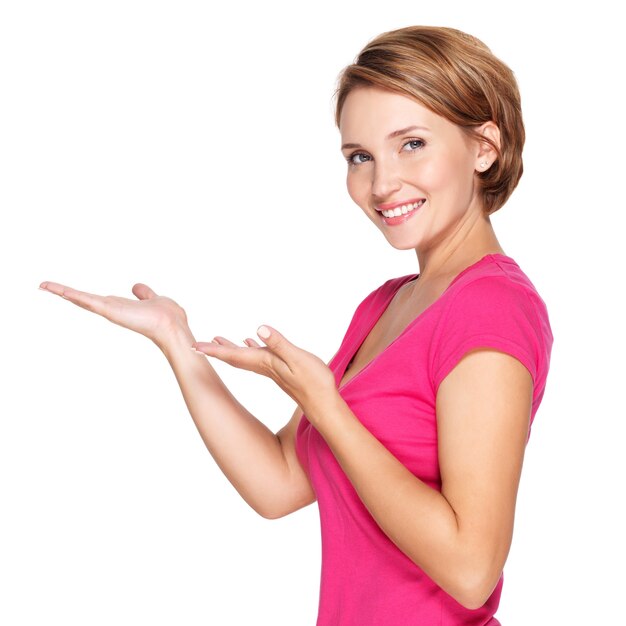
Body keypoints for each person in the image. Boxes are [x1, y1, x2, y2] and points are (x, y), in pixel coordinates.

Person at [39, 25, 553, 626]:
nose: (381, 184)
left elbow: (471, 571)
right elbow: (280, 482)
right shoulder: (388, 304)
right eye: (360, 157)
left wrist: (327, 406)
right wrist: (177, 341)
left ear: (484, 146)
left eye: (411, 143)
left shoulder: (491, 307)